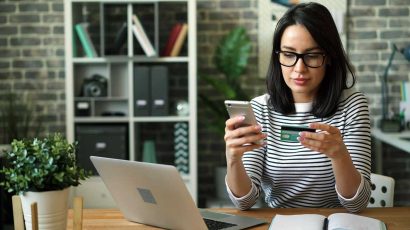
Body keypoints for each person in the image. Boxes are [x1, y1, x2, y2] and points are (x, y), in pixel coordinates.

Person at [224, 2, 371, 213]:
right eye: (289, 55)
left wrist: (339, 156)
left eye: (311, 55)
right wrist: (233, 159)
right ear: (278, 56)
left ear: (328, 57)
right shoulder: (260, 109)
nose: (299, 69)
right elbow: (244, 202)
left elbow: (357, 203)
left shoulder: (353, 106)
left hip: (336, 223)